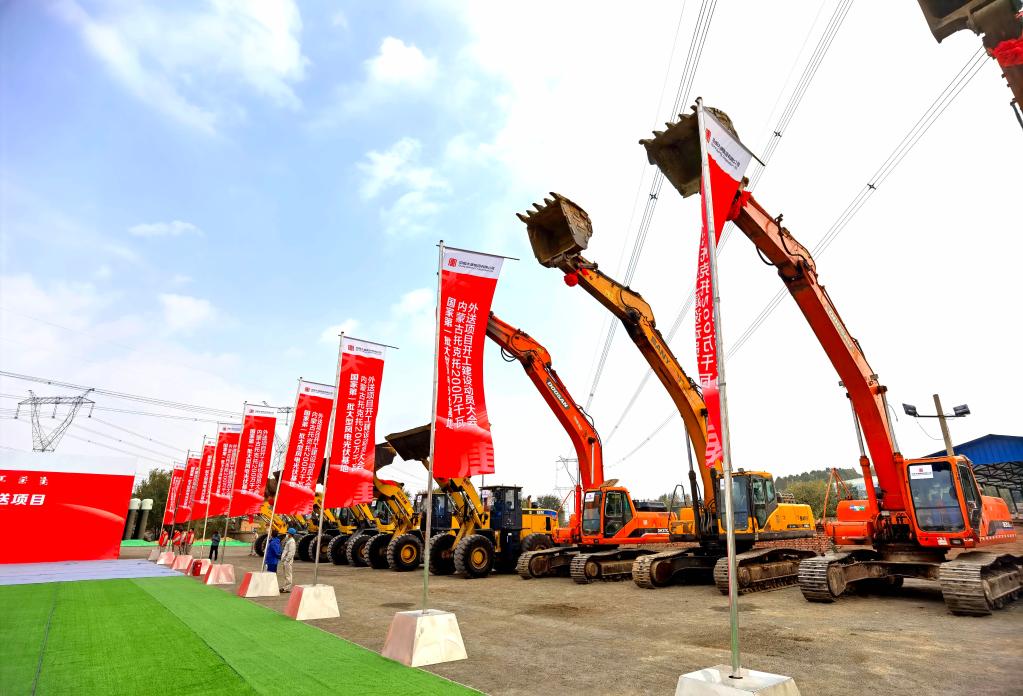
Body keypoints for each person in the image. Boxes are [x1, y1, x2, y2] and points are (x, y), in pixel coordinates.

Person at [279, 527, 297, 593]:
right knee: (286, 574)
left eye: (288, 533)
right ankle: (285, 587)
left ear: (290, 534)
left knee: (288, 574)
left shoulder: (292, 542)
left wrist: (287, 560)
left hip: (288, 561)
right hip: (286, 560)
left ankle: (287, 588)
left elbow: (291, 552)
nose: (287, 534)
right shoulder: (289, 540)